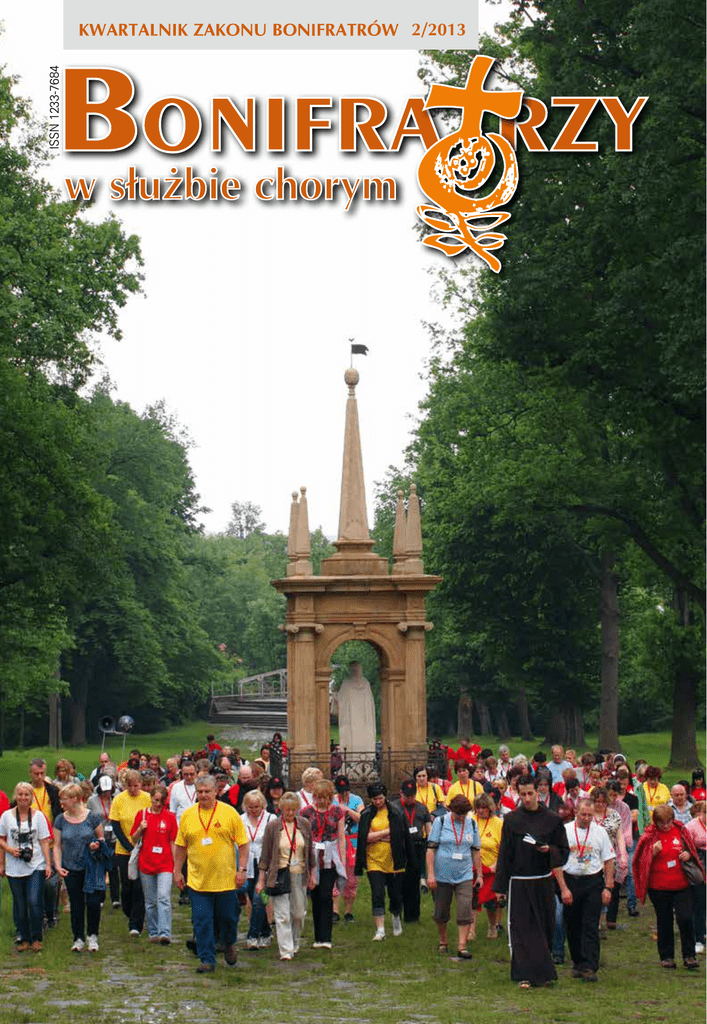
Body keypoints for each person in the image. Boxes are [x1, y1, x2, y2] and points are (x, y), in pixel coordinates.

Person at [493, 774, 570, 989]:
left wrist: (549, 850)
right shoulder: (511, 820)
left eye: (530, 793)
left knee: (544, 927)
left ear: (538, 793)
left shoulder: (552, 819)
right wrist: (500, 887)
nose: (527, 798)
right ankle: (524, 974)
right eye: (523, 794)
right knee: (521, 928)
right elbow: (505, 854)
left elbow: (563, 850)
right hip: (518, 882)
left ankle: (543, 974)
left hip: (543, 881)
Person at [173, 774, 249, 973]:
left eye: (208, 791)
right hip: (198, 881)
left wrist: (242, 869)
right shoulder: (188, 815)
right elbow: (180, 846)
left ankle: (229, 942)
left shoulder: (229, 813)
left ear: (216, 791)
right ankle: (207, 959)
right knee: (202, 921)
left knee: (228, 918)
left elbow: (243, 844)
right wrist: (177, 871)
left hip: (225, 880)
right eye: (200, 792)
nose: (204, 795)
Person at [633, 804, 703, 969]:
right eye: (661, 822)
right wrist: (652, 852)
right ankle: (666, 956)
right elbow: (640, 861)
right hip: (658, 887)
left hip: (682, 885)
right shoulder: (649, 836)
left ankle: (689, 955)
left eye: (668, 821)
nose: (665, 825)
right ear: (655, 821)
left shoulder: (681, 831)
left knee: (685, 919)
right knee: (664, 921)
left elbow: (692, 849)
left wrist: (688, 854)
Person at [555, 798, 615, 982]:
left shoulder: (600, 832)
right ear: (576, 812)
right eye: (583, 814)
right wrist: (563, 888)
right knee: (572, 924)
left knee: (590, 924)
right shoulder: (565, 831)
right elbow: (556, 862)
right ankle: (578, 962)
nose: (587, 818)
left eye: (590, 815)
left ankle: (590, 965)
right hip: (571, 880)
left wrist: (608, 887)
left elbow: (609, 860)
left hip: (592, 881)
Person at [257, 792, 315, 961]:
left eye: (293, 810)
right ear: (281, 809)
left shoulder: (304, 824)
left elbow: (310, 852)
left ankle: (295, 942)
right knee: (282, 915)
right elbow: (265, 855)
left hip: (299, 874)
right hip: (279, 874)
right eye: (287, 810)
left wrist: (312, 874)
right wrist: (261, 879)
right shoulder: (273, 826)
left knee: (298, 914)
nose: (290, 813)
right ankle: (286, 950)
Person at [355, 782, 414, 941]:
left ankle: (396, 916)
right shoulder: (367, 814)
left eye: (380, 798)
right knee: (377, 893)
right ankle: (380, 929)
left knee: (395, 895)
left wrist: (378, 835)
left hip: (394, 859)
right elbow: (365, 837)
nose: (378, 802)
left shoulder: (396, 812)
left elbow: (401, 834)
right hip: (374, 859)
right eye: (374, 799)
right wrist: (386, 832)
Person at [53, 783, 107, 952]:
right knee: (76, 904)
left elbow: (101, 838)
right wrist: (58, 865)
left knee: (93, 903)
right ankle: (78, 938)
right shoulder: (60, 820)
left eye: (64, 799)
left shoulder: (92, 817)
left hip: (91, 867)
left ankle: (93, 936)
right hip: (71, 867)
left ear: (75, 799)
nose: (61, 802)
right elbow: (57, 845)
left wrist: (96, 845)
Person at [426, 795, 482, 958]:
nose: (461, 818)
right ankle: (443, 940)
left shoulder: (472, 823)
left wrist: (479, 875)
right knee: (441, 911)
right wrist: (431, 874)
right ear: (451, 810)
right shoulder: (441, 822)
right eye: (458, 814)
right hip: (442, 875)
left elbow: (476, 851)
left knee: (465, 908)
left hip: (464, 874)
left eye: (464, 814)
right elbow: (431, 850)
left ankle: (462, 946)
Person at [0, 782, 52, 952]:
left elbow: (44, 841)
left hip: (35, 864)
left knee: (34, 900)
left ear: (31, 798)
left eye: (26, 795)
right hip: (14, 867)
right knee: (20, 904)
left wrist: (48, 864)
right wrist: (8, 851)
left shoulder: (39, 817)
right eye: (20, 794)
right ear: (15, 796)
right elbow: (1, 838)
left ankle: (37, 937)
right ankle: (24, 937)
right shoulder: (6, 816)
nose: (23, 797)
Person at [300, 779, 346, 949]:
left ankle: (326, 938)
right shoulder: (306, 812)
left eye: (324, 798)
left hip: (330, 858)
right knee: (316, 896)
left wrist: (342, 860)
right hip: (313, 858)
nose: (321, 801)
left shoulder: (338, 812)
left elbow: (341, 837)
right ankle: (318, 936)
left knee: (326, 895)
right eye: (318, 797)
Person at [130, 784, 178, 944]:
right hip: (146, 862)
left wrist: (176, 866)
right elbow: (133, 838)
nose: (158, 804)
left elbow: (173, 841)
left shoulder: (170, 817)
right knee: (150, 901)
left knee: (163, 897)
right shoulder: (142, 815)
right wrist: (140, 828)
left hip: (165, 863)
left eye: (161, 801)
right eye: (155, 800)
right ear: (150, 798)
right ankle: (153, 930)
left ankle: (165, 932)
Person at [109, 768, 151, 935]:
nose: (133, 789)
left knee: (139, 887)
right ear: (125, 785)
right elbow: (115, 825)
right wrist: (128, 846)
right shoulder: (119, 799)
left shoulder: (147, 798)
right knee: (127, 886)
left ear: (140, 784)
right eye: (130, 786)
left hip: (142, 848)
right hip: (124, 849)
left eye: (136, 785)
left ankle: (136, 923)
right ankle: (129, 911)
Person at [28, 758, 62, 928]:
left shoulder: (52, 791)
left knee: (51, 882)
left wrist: (57, 835)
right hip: (32, 844)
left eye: (42, 773)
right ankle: (38, 914)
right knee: (35, 882)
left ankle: (52, 912)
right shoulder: (26, 791)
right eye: (36, 774)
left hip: (51, 842)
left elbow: (59, 815)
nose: (40, 777)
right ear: (30, 773)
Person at [391, 778, 431, 924]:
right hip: (400, 846)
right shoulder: (394, 807)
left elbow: (428, 827)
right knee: (399, 881)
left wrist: (430, 844)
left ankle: (413, 915)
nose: (409, 799)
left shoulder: (422, 808)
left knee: (414, 881)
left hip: (417, 846)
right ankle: (397, 912)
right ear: (401, 793)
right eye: (407, 796)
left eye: (412, 795)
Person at [240, 788, 275, 949]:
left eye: (256, 807)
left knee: (258, 899)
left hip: (264, 865)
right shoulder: (240, 820)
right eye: (250, 807)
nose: (253, 810)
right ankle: (266, 931)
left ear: (262, 805)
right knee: (257, 900)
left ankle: (252, 935)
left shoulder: (270, 819)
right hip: (247, 864)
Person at [589, 786, 627, 931]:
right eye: (597, 801)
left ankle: (603, 921)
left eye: (603, 801)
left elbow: (620, 836)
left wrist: (623, 854)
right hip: (591, 857)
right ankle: (595, 922)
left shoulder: (614, 815)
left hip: (609, 857)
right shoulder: (587, 814)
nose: (600, 804)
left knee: (607, 888)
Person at [332, 774, 364, 923]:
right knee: (335, 876)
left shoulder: (357, 800)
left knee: (351, 879)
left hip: (353, 843)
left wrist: (347, 810)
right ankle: (334, 910)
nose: (343, 794)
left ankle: (348, 911)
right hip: (336, 843)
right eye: (340, 791)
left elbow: (362, 818)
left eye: (345, 791)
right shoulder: (332, 800)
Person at [472, 792, 504, 940]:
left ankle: (492, 926)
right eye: (478, 807)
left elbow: (504, 848)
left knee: (491, 902)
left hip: (491, 868)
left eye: (483, 807)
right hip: (472, 867)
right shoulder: (471, 820)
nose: (480, 810)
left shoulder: (498, 823)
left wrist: (495, 866)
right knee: (471, 900)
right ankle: (471, 930)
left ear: (490, 808)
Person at [87, 774, 121, 908]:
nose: (107, 793)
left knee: (113, 868)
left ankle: (115, 898)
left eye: (109, 790)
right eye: (104, 790)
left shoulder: (116, 799)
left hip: (113, 837)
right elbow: (89, 818)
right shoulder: (92, 801)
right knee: (100, 869)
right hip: (99, 837)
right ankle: (100, 897)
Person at [685, 800, 706, 954]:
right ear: (702, 813)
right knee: (699, 903)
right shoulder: (691, 826)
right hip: (698, 863)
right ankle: (698, 938)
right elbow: (685, 845)